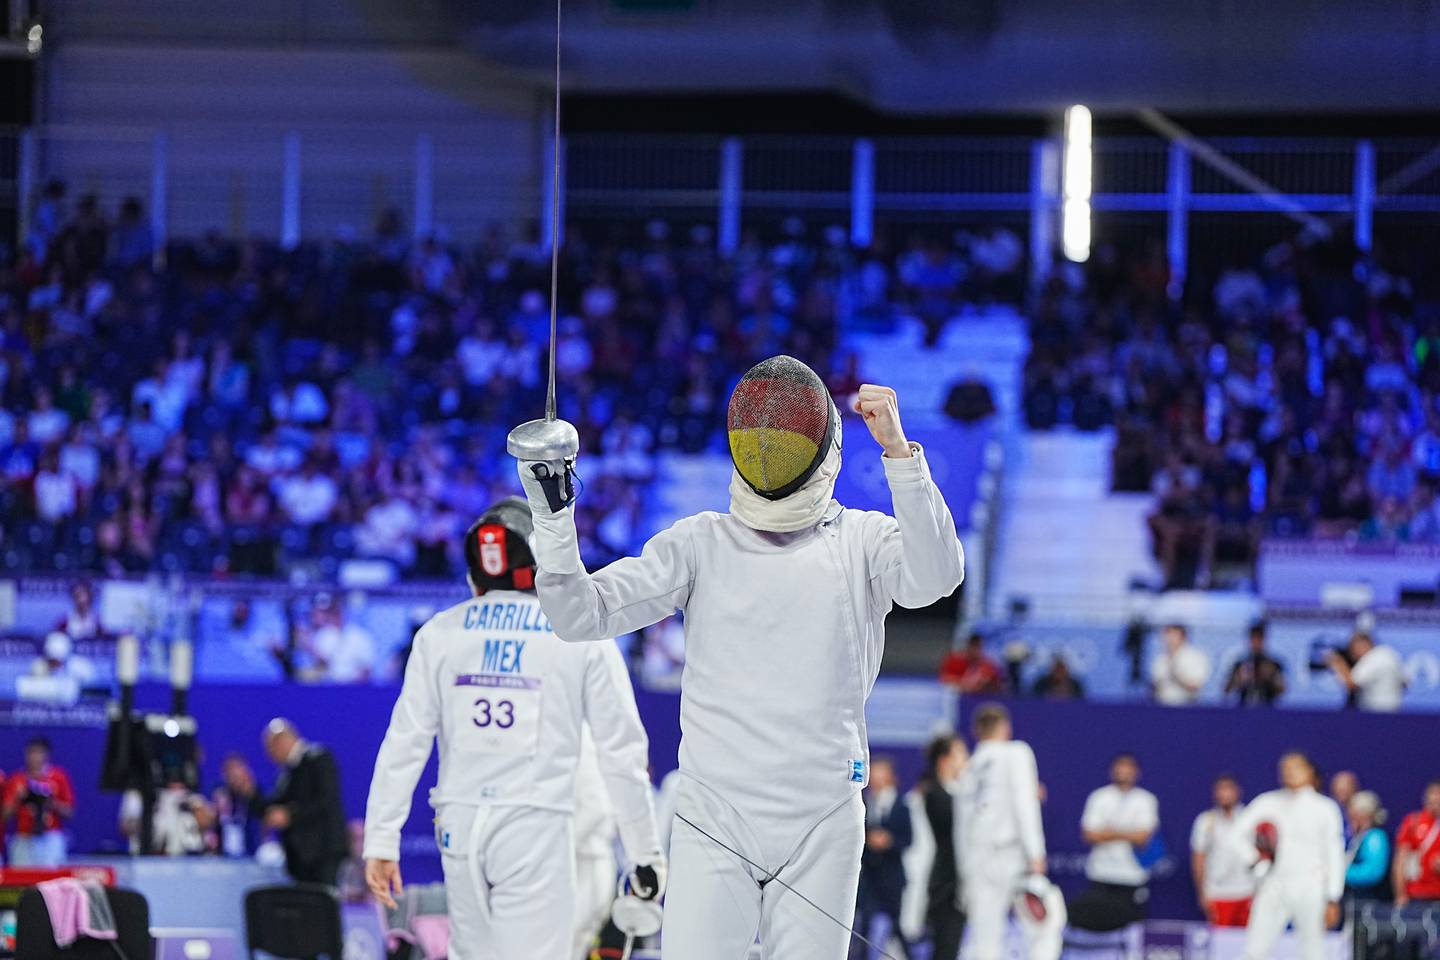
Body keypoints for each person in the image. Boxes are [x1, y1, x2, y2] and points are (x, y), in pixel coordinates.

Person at [519, 364, 964, 960]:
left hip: (823, 818)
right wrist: (552, 517)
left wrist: (901, 459)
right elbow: (579, 615)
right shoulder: (701, 544)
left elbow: (937, 576)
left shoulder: (861, 541)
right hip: (715, 817)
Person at [362, 498, 664, 960]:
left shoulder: (438, 633)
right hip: (535, 823)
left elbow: (405, 743)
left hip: (458, 826)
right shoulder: (579, 634)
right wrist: (646, 854)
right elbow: (621, 753)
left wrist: (381, 840)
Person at [956, 703, 1057, 960]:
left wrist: (965, 872)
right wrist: (1036, 852)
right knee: (1047, 923)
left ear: (977, 731)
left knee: (984, 938)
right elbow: (1025, 803)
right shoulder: (1017, 753)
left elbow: (961, 826)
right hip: (1011, 855)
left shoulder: (969, 767)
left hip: (977, 860)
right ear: (1005, 727)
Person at [1231, 752, 1345, 960]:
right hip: (1274, 883)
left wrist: (1333, 895)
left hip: (1310, 885)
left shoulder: (1325, 808)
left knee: (1312, 950)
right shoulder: (1267, 802)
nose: (1290, 773)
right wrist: (1256, 861)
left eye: (1296, 767)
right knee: (1255, 949)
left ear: (1310, 771)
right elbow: (1236, 835)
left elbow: (1333, 852)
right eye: (1285, 768)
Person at [1068, 753, 1159, 931]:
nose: (1123, 772)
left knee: (1132, 930)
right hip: (1101, 875)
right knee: (1095, 927)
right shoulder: (1099, 797)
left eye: (1128, 768)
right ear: (1112, 771)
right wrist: (1128, 833)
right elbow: (1089, 835)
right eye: (1120, 768)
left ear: (1136, 772)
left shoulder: (1146, 800)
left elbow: (1143, 837)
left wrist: (1108, 832)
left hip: (1132, 877)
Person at [263, 718, 348, 884]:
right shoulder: (286, 772)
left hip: (323, 851)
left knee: (322, 903)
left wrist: (291, 816)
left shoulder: (319, 758)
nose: (270, 754)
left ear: (282, 742)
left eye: (270, 748)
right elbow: (276, 804)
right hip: (299, 854)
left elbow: (326, 800)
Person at [907, 735, 967, 960]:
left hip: (952, 883)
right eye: (961, 753)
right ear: (944, 759)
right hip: (943, 885)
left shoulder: (950, 792)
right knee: (944, 947)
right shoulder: (933, 795)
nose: (966, 760)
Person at [855, 756, 912, 959]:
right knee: (863, 926)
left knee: (897, 925)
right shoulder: (863, 803)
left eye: (881, 773)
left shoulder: (901, 805)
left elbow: (908, 839)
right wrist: (868, 839)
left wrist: (888, 841)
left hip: (892, 879)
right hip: (869, 878)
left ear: (890, 776)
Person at [1190, 774, 1254, 926]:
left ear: (1237, 791)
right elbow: (1199, 858)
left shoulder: (1250, 817)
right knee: (1220, 943)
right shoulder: (1205, 821)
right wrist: (1202, 893)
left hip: (1248, 891)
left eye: (1228, 789)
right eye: (1220, 790)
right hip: (1217, 893)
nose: (1224, 794)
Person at [2, 738, 75, 866]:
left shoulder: (58, 777)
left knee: (51, 880)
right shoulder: (17, 780)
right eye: (31, 753)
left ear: (46, 755)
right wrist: (19, 798)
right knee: (21, 881)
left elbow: (70, 812)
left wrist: (49, 801)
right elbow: (4, 816)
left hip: (50, 838)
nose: (34, 757)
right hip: (24, 837)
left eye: (39, 753)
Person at [1328, 632, 1406, 712]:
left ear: (1362, 644)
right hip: (1395, 710)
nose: (1352, 654)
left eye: (1352, 649)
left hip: (1375, 711)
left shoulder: (1372, 658)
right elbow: (1405, 683)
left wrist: (1338, 663)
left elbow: (1352, 684)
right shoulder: (1390, 654)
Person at [1392, 779, 1440, 907]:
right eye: (1432, 795)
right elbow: (1400, 861)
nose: (1435, 800)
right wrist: (1400, 894)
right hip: (1417, 894)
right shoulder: (1413, 822)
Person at [212, 753, 266, 858]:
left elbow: (264, 819)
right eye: (229, 772)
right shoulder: (219, 794)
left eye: (237, 770)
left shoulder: (256, 795)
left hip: (251, 854)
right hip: (223, 856)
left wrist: (250, 792)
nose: (234, 776)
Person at [1223, 622, 1285, 706]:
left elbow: (1282, 689)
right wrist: (1239, 679)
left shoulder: (1273, 664)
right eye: (1253, 638)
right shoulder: (1240, 664)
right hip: (1243, 708)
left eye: (1259, 639)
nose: (1256, 642)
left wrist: (1271, 677)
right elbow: (1226, 689)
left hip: (1268, 708)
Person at [1345, 791, 1391, 902]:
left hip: (1369, 900)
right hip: (1354, 899)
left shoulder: (1376, 837)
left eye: (1353, 813)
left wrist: (1338, 874)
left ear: (1364, 814)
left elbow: (1372, 873)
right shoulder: (1357, 837)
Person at [1150, 624, 1211, 705]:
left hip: (1187, 706)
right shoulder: (1160, 659)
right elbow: (1154, 686)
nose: (1169, 639)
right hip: (1162, 706)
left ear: (1183, 637)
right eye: (1167, 635)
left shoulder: (1195, 657)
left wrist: (1175, 674)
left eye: (1173, 635)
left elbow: (1195, 686)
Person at [938, 633, 1004, 695]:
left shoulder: (988, 665)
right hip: (955, 698)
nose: (975, 651)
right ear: (967, 647)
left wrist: (985, 685)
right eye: (972, 646)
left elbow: (997, 685)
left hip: (978, 700)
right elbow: (944, 679)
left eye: (978, 647)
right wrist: (964, 685)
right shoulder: (954, 660)